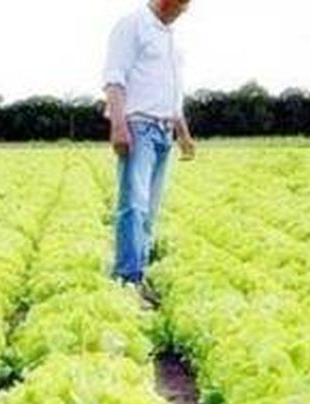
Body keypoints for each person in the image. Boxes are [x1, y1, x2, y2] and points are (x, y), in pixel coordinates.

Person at [103, 0, 197, 296]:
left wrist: (183, 133)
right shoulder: (133, 24)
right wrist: (119, 125)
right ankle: (128, 279)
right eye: (180, 7)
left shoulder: (169, 36)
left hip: (163, 130)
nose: (182, 13)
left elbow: (172, 93)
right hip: (139, 127)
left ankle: (138, 272)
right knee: (133, 205)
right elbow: (114, 78)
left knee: (150, 210)